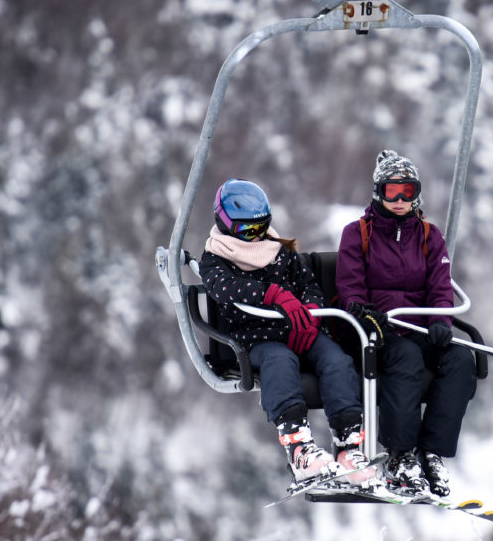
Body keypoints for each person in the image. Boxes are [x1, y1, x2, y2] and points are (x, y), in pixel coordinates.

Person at [199, 179, 377, 488]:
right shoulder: (217, 256)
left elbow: (307, 282)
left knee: (336, 360)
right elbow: (223, 287)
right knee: (280, 363)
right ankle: (299, 449)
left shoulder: (279, 250)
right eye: (246, 231)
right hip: (254, 338)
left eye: (260, 228)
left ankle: (349, 447)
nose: (254, 238)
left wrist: (310, 312)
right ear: (224, 224)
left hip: (298, 333)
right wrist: (271, 294)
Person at [335, 150, 477, 497]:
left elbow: (440, 287)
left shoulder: (429, 236)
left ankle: (431, 452)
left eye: (407, 192)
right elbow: (349, 286)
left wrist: (440, 321)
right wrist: (364, 312)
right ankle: (400, 455)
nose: (399, 200)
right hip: (376, 334)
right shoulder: (358, 234)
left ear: (418, 194)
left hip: (417, 329)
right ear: (377, 192)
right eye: (391, 191)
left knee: (460, 359)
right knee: (407, 358)